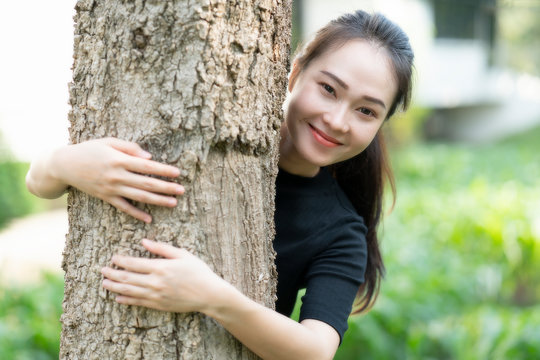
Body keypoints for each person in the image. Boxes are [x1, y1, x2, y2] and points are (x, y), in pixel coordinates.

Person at [26, 10, 413, 360]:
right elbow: (37, 181)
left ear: (380, 123)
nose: (338, 120)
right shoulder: (204, 139)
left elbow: (315, 351)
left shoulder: (341, 231)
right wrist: (64, 162)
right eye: (328, 89)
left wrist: (212, 297)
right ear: (294, 74)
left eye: (366, 111)